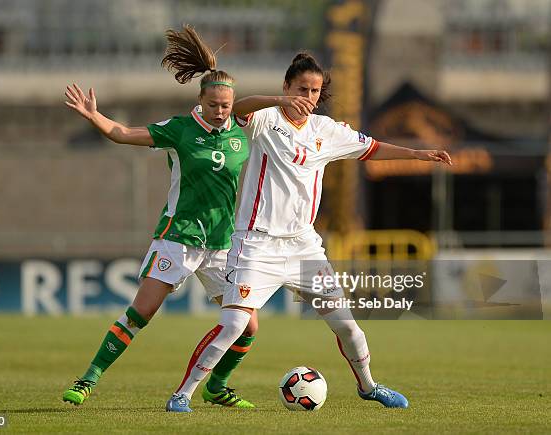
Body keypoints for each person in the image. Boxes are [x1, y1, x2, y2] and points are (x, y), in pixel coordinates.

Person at [166, 52, 452, 412]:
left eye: (315, 90)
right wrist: (280, 101)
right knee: (235, 323)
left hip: (304, 248)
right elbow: (240, 107)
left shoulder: (327, 130)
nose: (309, 96)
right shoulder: (265, 119)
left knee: (349, 328)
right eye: (302, 88)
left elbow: (373, 148)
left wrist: (418, 154)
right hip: (257, 243)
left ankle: (369, 387)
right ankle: (183, 394)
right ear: (287, 87)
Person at [61, 25, 258, 410]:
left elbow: (259, 110)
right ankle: (87, 380)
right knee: (142, 312)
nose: (221, 111)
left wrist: (270, 104)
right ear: (200, 101)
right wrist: (95, 116)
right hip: (179, 236)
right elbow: (122, 133)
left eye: (227, 105)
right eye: (215, 104)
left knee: (247, 327)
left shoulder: (240, 130)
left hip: (221, 244)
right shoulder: (180, 130)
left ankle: (217, 386)